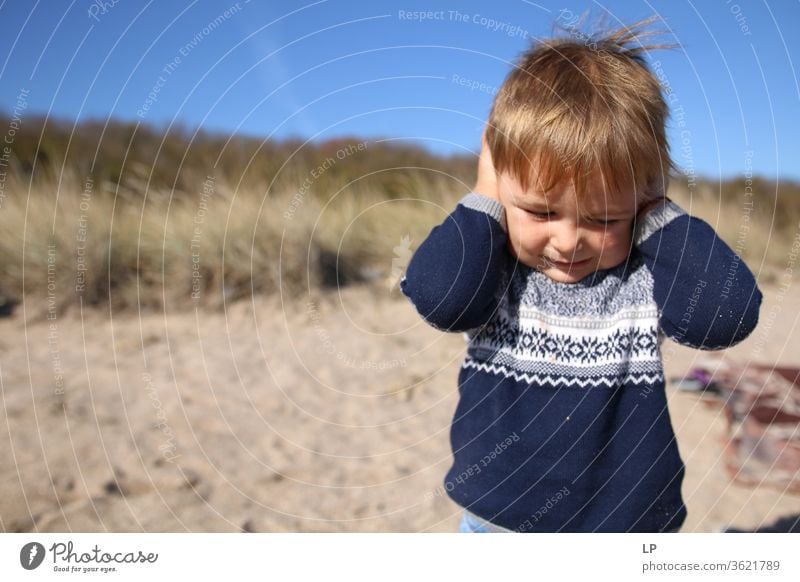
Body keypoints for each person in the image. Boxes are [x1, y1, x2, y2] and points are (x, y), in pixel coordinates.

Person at [400, 16, 763, 533]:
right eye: (541, 212)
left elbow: (725, 317)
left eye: (603, 219)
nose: (570, 240)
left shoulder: (641, 275)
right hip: (498, 526)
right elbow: (442, 300)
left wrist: (656, 206)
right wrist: (485, 192)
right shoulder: (493, 266)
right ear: (502, 187)